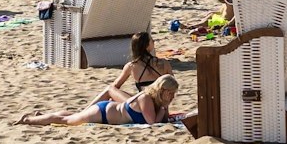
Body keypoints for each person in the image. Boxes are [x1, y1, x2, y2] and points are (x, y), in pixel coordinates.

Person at [18, 74, 180, 126]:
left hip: (107, 112)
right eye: (171, 93)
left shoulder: (154, 101)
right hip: (102, 113)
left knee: (73, 115)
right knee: (66, 121)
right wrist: (164, 106)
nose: (172, 96)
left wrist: (164, 107)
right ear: (163, 91)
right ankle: (28, 120)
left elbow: (163, 120)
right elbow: (153, 123)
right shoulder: (146, 99)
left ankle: (41, 115)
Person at [99, 31, 174, 102]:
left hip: (144, 104)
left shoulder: (132, 66)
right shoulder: (164, 63)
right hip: (161, 104)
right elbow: (173, 86)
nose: (154, 42)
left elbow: (116, 85)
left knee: (110, 90)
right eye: (152, 40)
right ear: (146, 45)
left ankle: (91, 108)